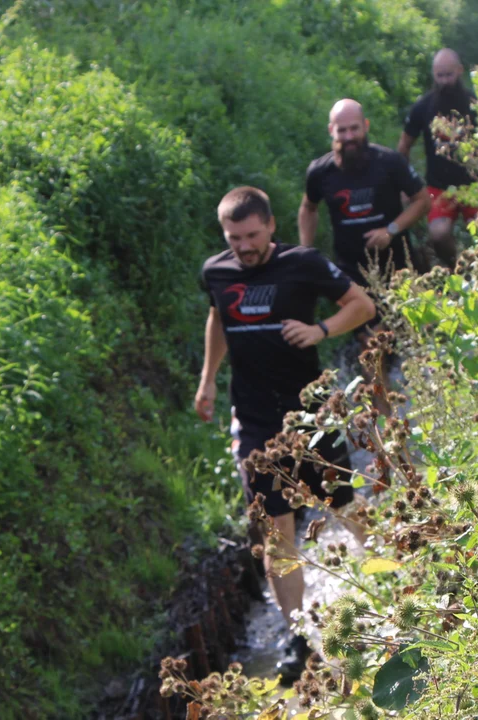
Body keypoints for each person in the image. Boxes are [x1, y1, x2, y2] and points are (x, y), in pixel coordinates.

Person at [196, 186, 375, 684]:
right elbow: (218, 317)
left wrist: (321, 330)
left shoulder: (303, 264)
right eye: (234, 238)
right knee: (277, 533)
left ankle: (399, 582)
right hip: (254, 421)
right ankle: (298, 638)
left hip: (311, 415)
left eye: (252, 235)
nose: (244, 246)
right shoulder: (217, 271)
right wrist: (208, 379)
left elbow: (361, 305)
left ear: (271, 225)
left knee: (344, 505)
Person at [299, 99, 431, 290]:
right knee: (366, 320)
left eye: (354, 129)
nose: (349, 136)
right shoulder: (320, 171)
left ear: (366, 126)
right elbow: (308, 208)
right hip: (350, 270)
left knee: (403, 319)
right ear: (331, 130)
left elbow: (423, 201)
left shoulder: (390, 162)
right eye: (342, 130)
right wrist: (306, 251)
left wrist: (390, 230)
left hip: (398, 265)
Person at [398, 48, 478, 268]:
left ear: (460, 71)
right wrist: (406, 187)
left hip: (474, 185)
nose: (445, 81)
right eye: (440, 75)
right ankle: (458, 270)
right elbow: (404, 147)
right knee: (438, 234)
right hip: (439, 187)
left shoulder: (475, 105)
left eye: (449, 75)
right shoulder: (423, 107)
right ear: (434, 75)